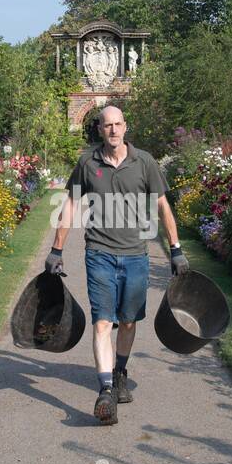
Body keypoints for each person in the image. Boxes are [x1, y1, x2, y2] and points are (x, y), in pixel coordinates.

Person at [45, 105, 189, 425]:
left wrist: (176, 249)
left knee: (126, 322)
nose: (113, 130)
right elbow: (70, 205)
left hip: (137, 256)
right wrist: (56, 250)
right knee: (102, 323)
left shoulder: (145, 162)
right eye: (107, 125)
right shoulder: (87, 162)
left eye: (117, 124)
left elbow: (163, 206)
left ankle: (120, 371)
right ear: (99, 129)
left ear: (125, 127)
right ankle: (106, 390)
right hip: (99, 254)